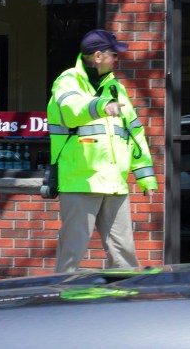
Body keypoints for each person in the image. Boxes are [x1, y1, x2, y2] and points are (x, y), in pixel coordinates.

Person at [47, 29, 158, 273]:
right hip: (80, 182)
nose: (117, 59)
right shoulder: (67, 81)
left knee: (125, 258)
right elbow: (72, 108)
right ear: (98, 56)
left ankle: (124, 306)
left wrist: (145, 177)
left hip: (115, 183)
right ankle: (62, 305)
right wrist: (100, 105)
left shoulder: (116, 87)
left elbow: (134, 133)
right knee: (71, 257)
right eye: (113, 54)